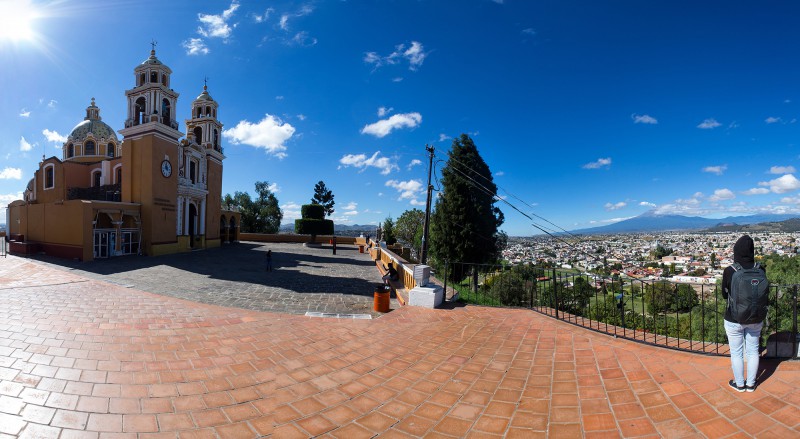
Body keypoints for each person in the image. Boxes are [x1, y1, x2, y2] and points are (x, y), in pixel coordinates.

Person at [722, 235, 766, 393]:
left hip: (734, 318)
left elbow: (724, 295)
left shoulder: (730, 270)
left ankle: (740, 384)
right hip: (756, 317)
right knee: (753, 351)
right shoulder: (760, 269)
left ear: (736, 251)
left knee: (736, 352)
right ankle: (751, 384)